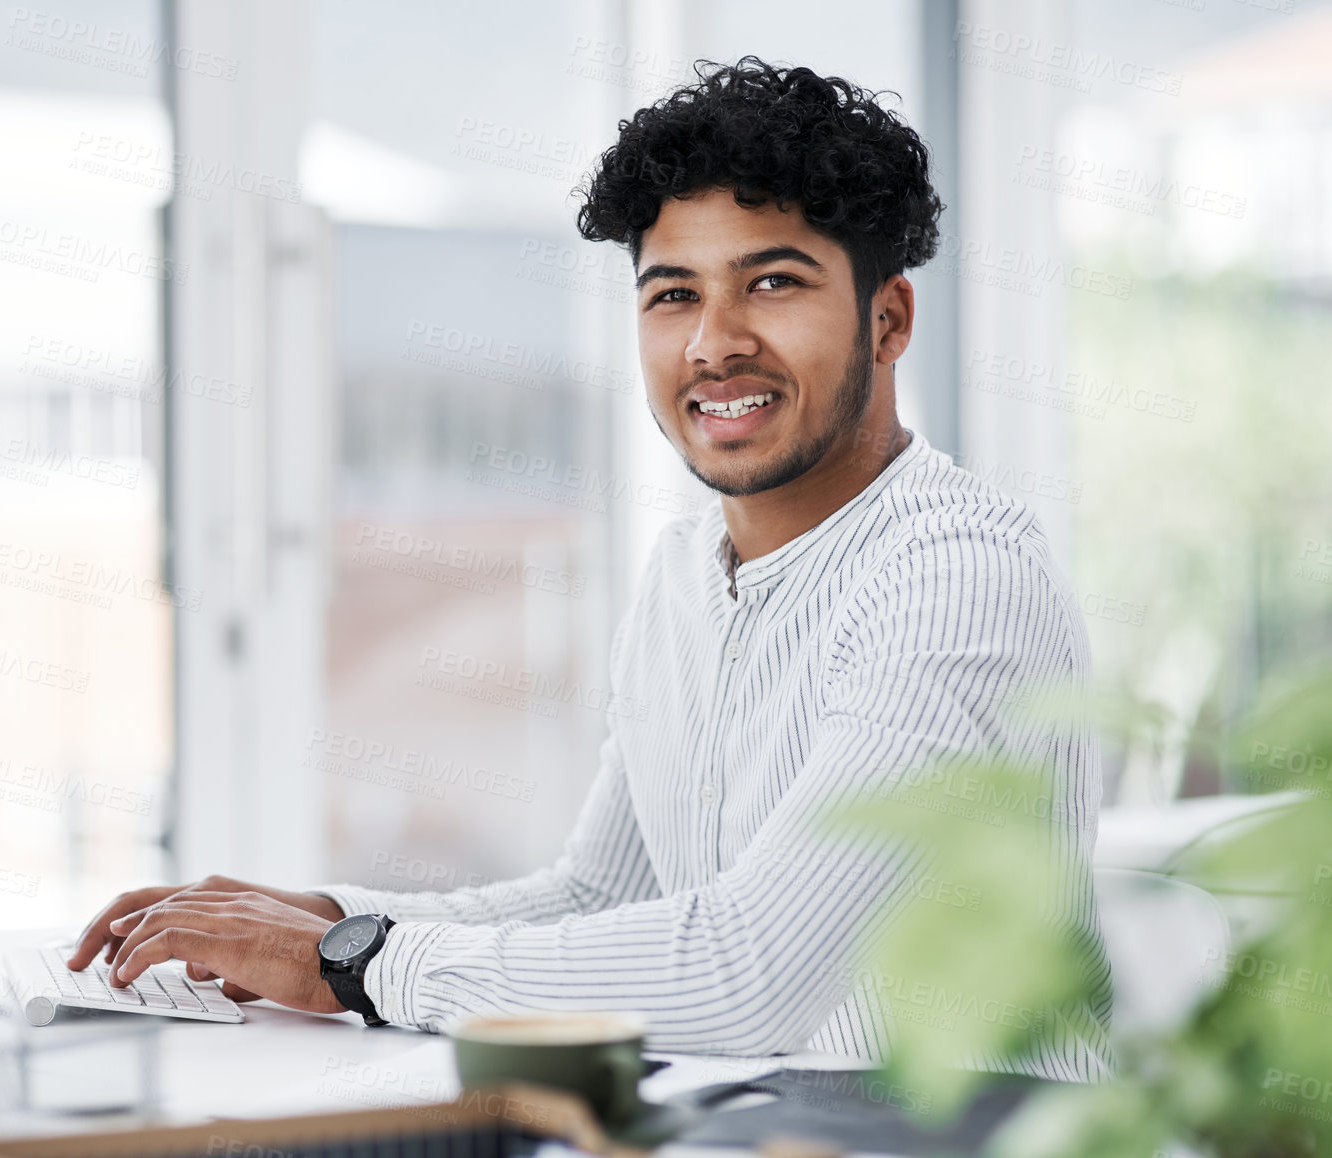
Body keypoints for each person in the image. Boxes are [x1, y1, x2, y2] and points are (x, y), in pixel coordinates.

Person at [69, 56, 1111, 1076]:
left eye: (774, 283)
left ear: (888, 320)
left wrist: (352, 967)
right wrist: (326, 922)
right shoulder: (684, 568)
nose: (713, 343)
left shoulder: (956, 577)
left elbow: (745, 975)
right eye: (672, 295)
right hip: (777, 1131)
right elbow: (601, 900)